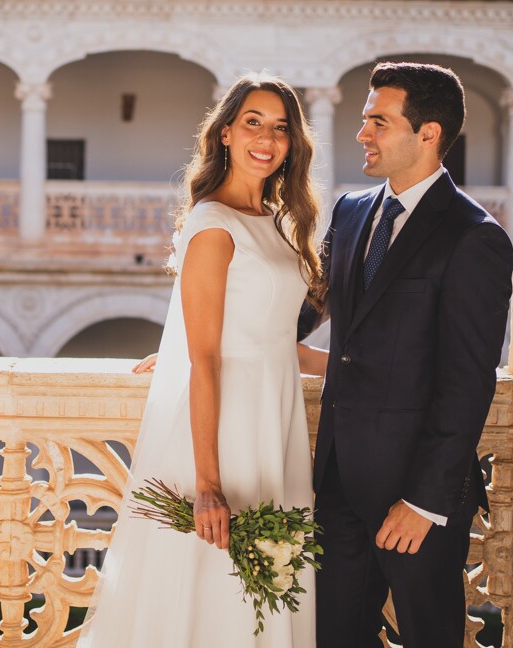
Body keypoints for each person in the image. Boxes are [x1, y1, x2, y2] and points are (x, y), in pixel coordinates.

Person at [79, 74, 327, 648]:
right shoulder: (213, 225)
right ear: (224, 134)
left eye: (281, 128)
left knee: (264, 587)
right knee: (216, 587)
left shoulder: (277, 223)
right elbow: (207, 357)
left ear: (293, 144)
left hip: (276, 423)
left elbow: (268, 339)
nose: (267, 139)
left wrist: (351, 368)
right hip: (225, 434)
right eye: (253, 123)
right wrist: (208, 484)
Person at [298, 61, 513, 648]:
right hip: (338, 480)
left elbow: (467, 383)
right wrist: (203, 347)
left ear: (429, 133)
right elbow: (302, 310)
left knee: (428, 637)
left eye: (378, 122)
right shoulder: (348, 212)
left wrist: (423, 500)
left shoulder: (475, 237)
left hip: (417, 494)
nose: (362, 133)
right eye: (366, 120)